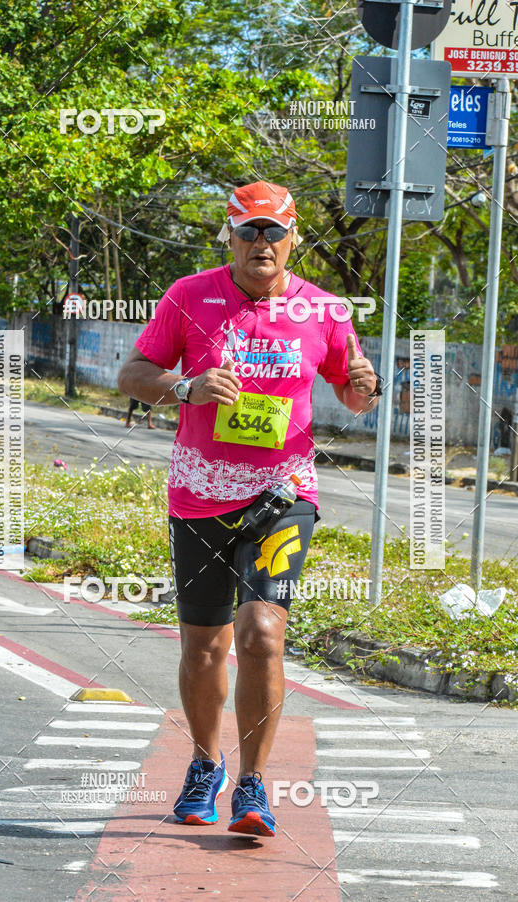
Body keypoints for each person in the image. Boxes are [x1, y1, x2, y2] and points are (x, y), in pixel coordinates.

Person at [118, 180, 381, 836]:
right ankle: (205, 764)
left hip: (283, 495)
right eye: (249, 231)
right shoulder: (189, 295)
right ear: (229, 236)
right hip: (199, 494)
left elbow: (353, 394)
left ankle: (254, 785)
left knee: (262, 633)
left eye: (273, 232)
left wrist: (368, 388)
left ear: (293, 239)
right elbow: (131, 375)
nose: (261, 244)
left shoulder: (325, 311)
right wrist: (185, 385)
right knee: (204, 645)